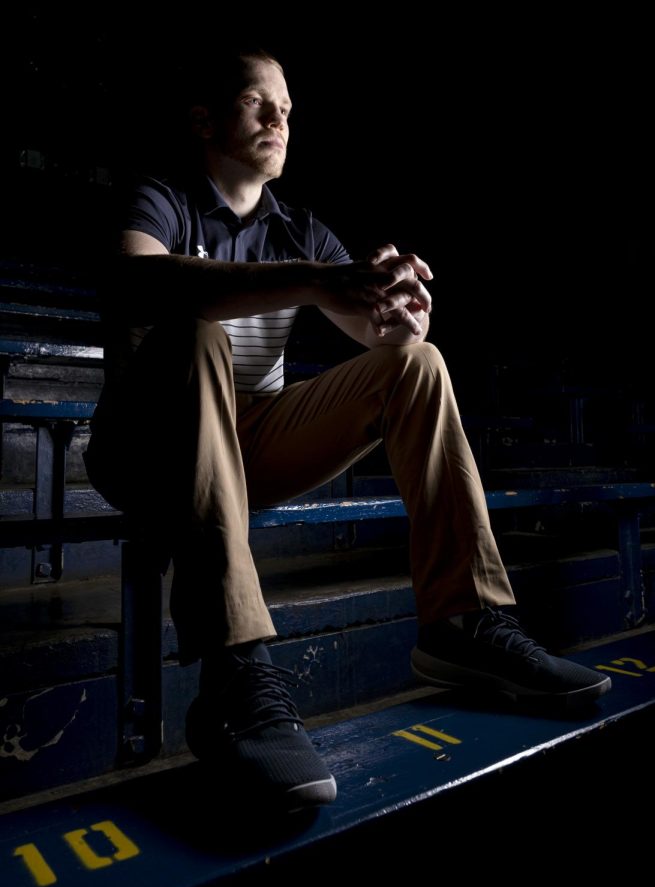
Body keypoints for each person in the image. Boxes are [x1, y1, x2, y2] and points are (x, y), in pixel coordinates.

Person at [85, 48, 610, 811]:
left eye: (288, 110)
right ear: (204, 119)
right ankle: (233, 673)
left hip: (248, 443)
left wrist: (400, 314)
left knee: (420, 364)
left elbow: (378, 338)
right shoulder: (162, 197)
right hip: (146, 448)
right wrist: (311, 279)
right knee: (193, 331)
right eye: (257, 102)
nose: (278, 119)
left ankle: (463, 623)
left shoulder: (298, 227)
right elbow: (135, 279)